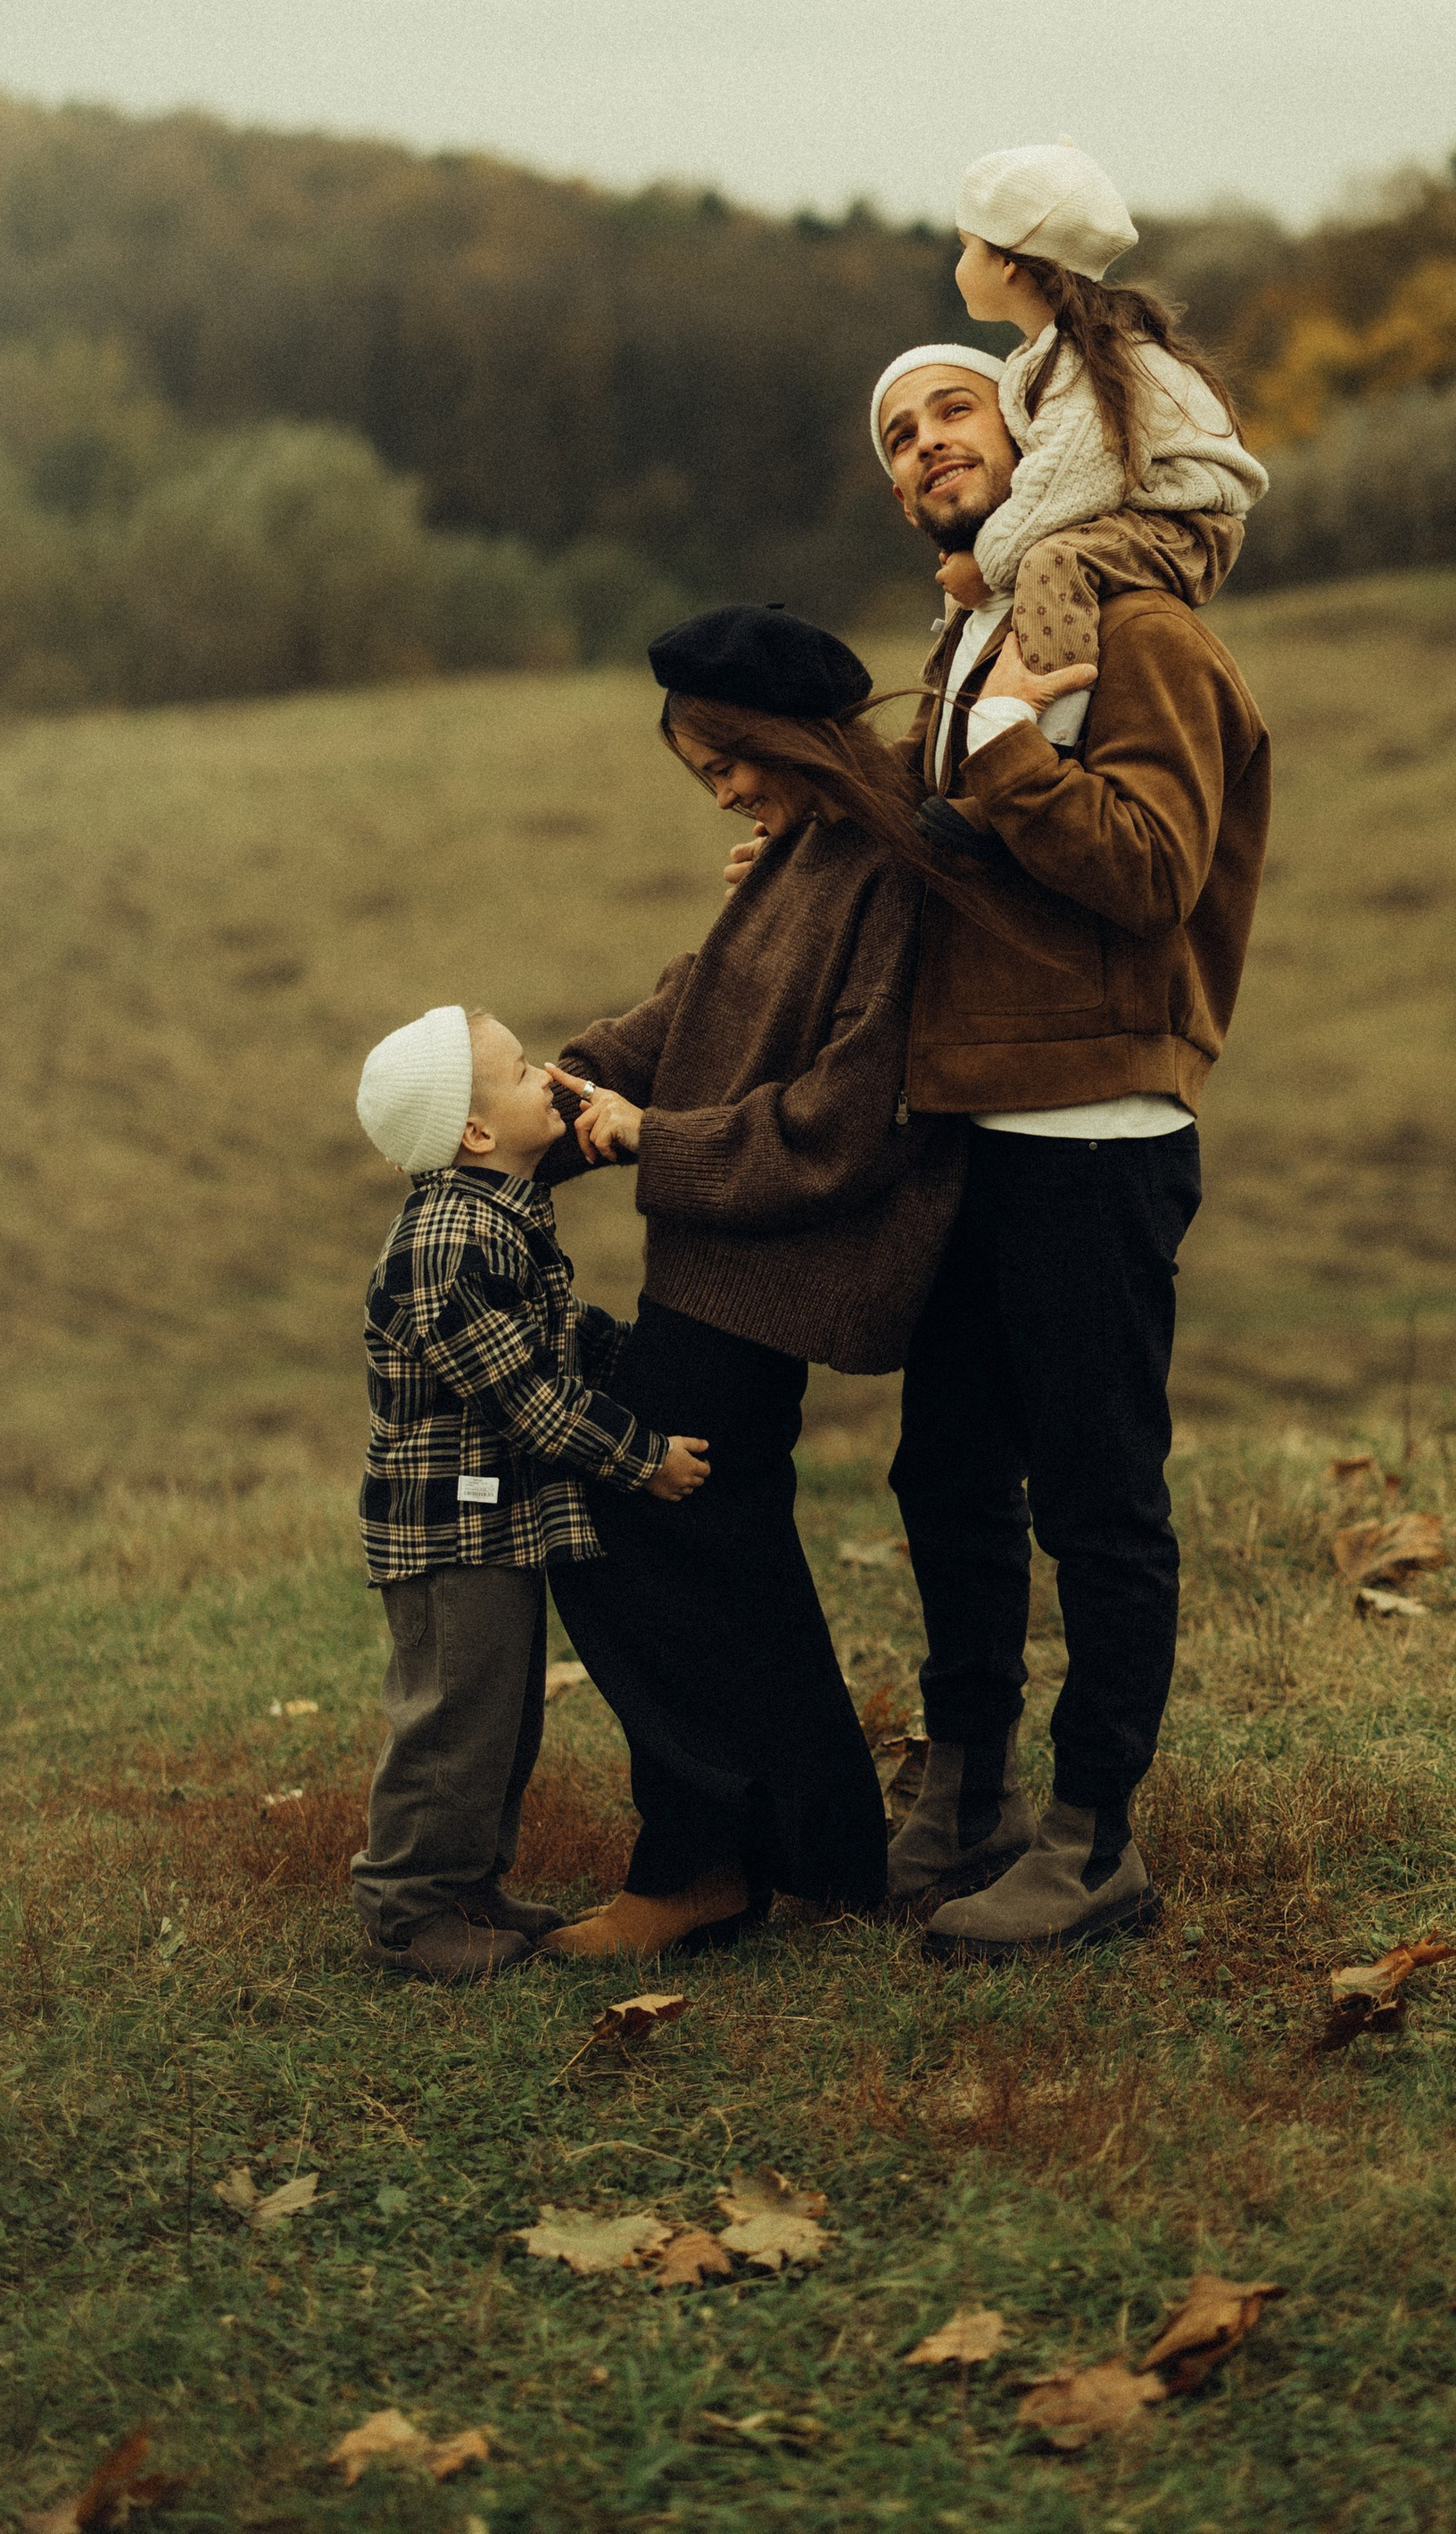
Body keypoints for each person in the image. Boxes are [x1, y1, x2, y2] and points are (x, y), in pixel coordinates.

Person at [867, 282, 1270, 1960]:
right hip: (968, 1119)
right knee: (945, 1470)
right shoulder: (971, 643)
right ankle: (970, 1791)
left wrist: (1016, 752)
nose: (921, 451)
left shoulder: (1141, 628)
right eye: (895, 441)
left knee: (1099, 1496)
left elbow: (1156, 868)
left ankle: (1098, 1835)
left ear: (1033, 430)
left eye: (950, 412)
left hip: (1095, 1123)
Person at [534, 604, 966, 1967]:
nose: (721, 792)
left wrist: (648, 1138)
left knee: (615, 1516)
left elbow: (841, 1122)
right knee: (731, 1549)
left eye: (728, 762)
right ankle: (821, 1850)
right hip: (720, 1263)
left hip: (771, 1268)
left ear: (788, 733)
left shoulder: (891, 868)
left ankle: (701, 1863)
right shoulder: (805, 851)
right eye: (704, 774)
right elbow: (694, 1009)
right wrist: (541, 1097)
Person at [348, 1001, 710, 1983]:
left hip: (491, 1523)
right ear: (472, 1132)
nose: (547, 1075)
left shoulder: (495, 1217)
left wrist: (631, 1352)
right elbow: (527, 1401)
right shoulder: (448, 1242)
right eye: (517, 1073)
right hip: (449, 1532)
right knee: (451, 1723)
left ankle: (469, 1887)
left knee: (500, 1720)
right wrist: (645, 1456)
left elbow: (551, 1330)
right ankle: (406, 1911)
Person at [939, 142, 1268, 744]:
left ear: (1009, 262)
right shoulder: (1043, 357)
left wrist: (982, 565)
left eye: (967, 247)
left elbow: (1055, 495)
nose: (958, 264)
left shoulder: (1091, 367)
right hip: (1140, 516)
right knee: (1038, 557)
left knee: (1051, 560)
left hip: (1188, 525)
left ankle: (1036, 744)